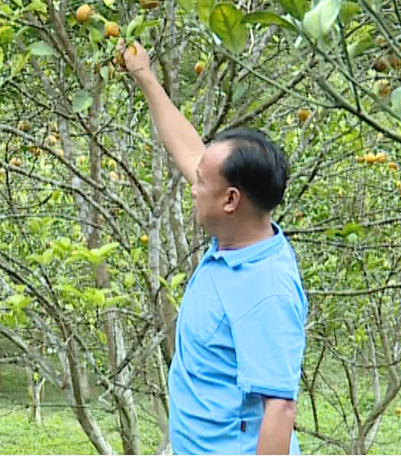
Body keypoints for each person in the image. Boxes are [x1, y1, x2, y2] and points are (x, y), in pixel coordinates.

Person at [120, 42, 307, 456]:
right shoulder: (238, 235)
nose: (192, 185)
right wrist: (144, 75)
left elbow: (280, 409)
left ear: (230, 200)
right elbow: (188, 150)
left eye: (200, 182)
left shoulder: (267, 289)